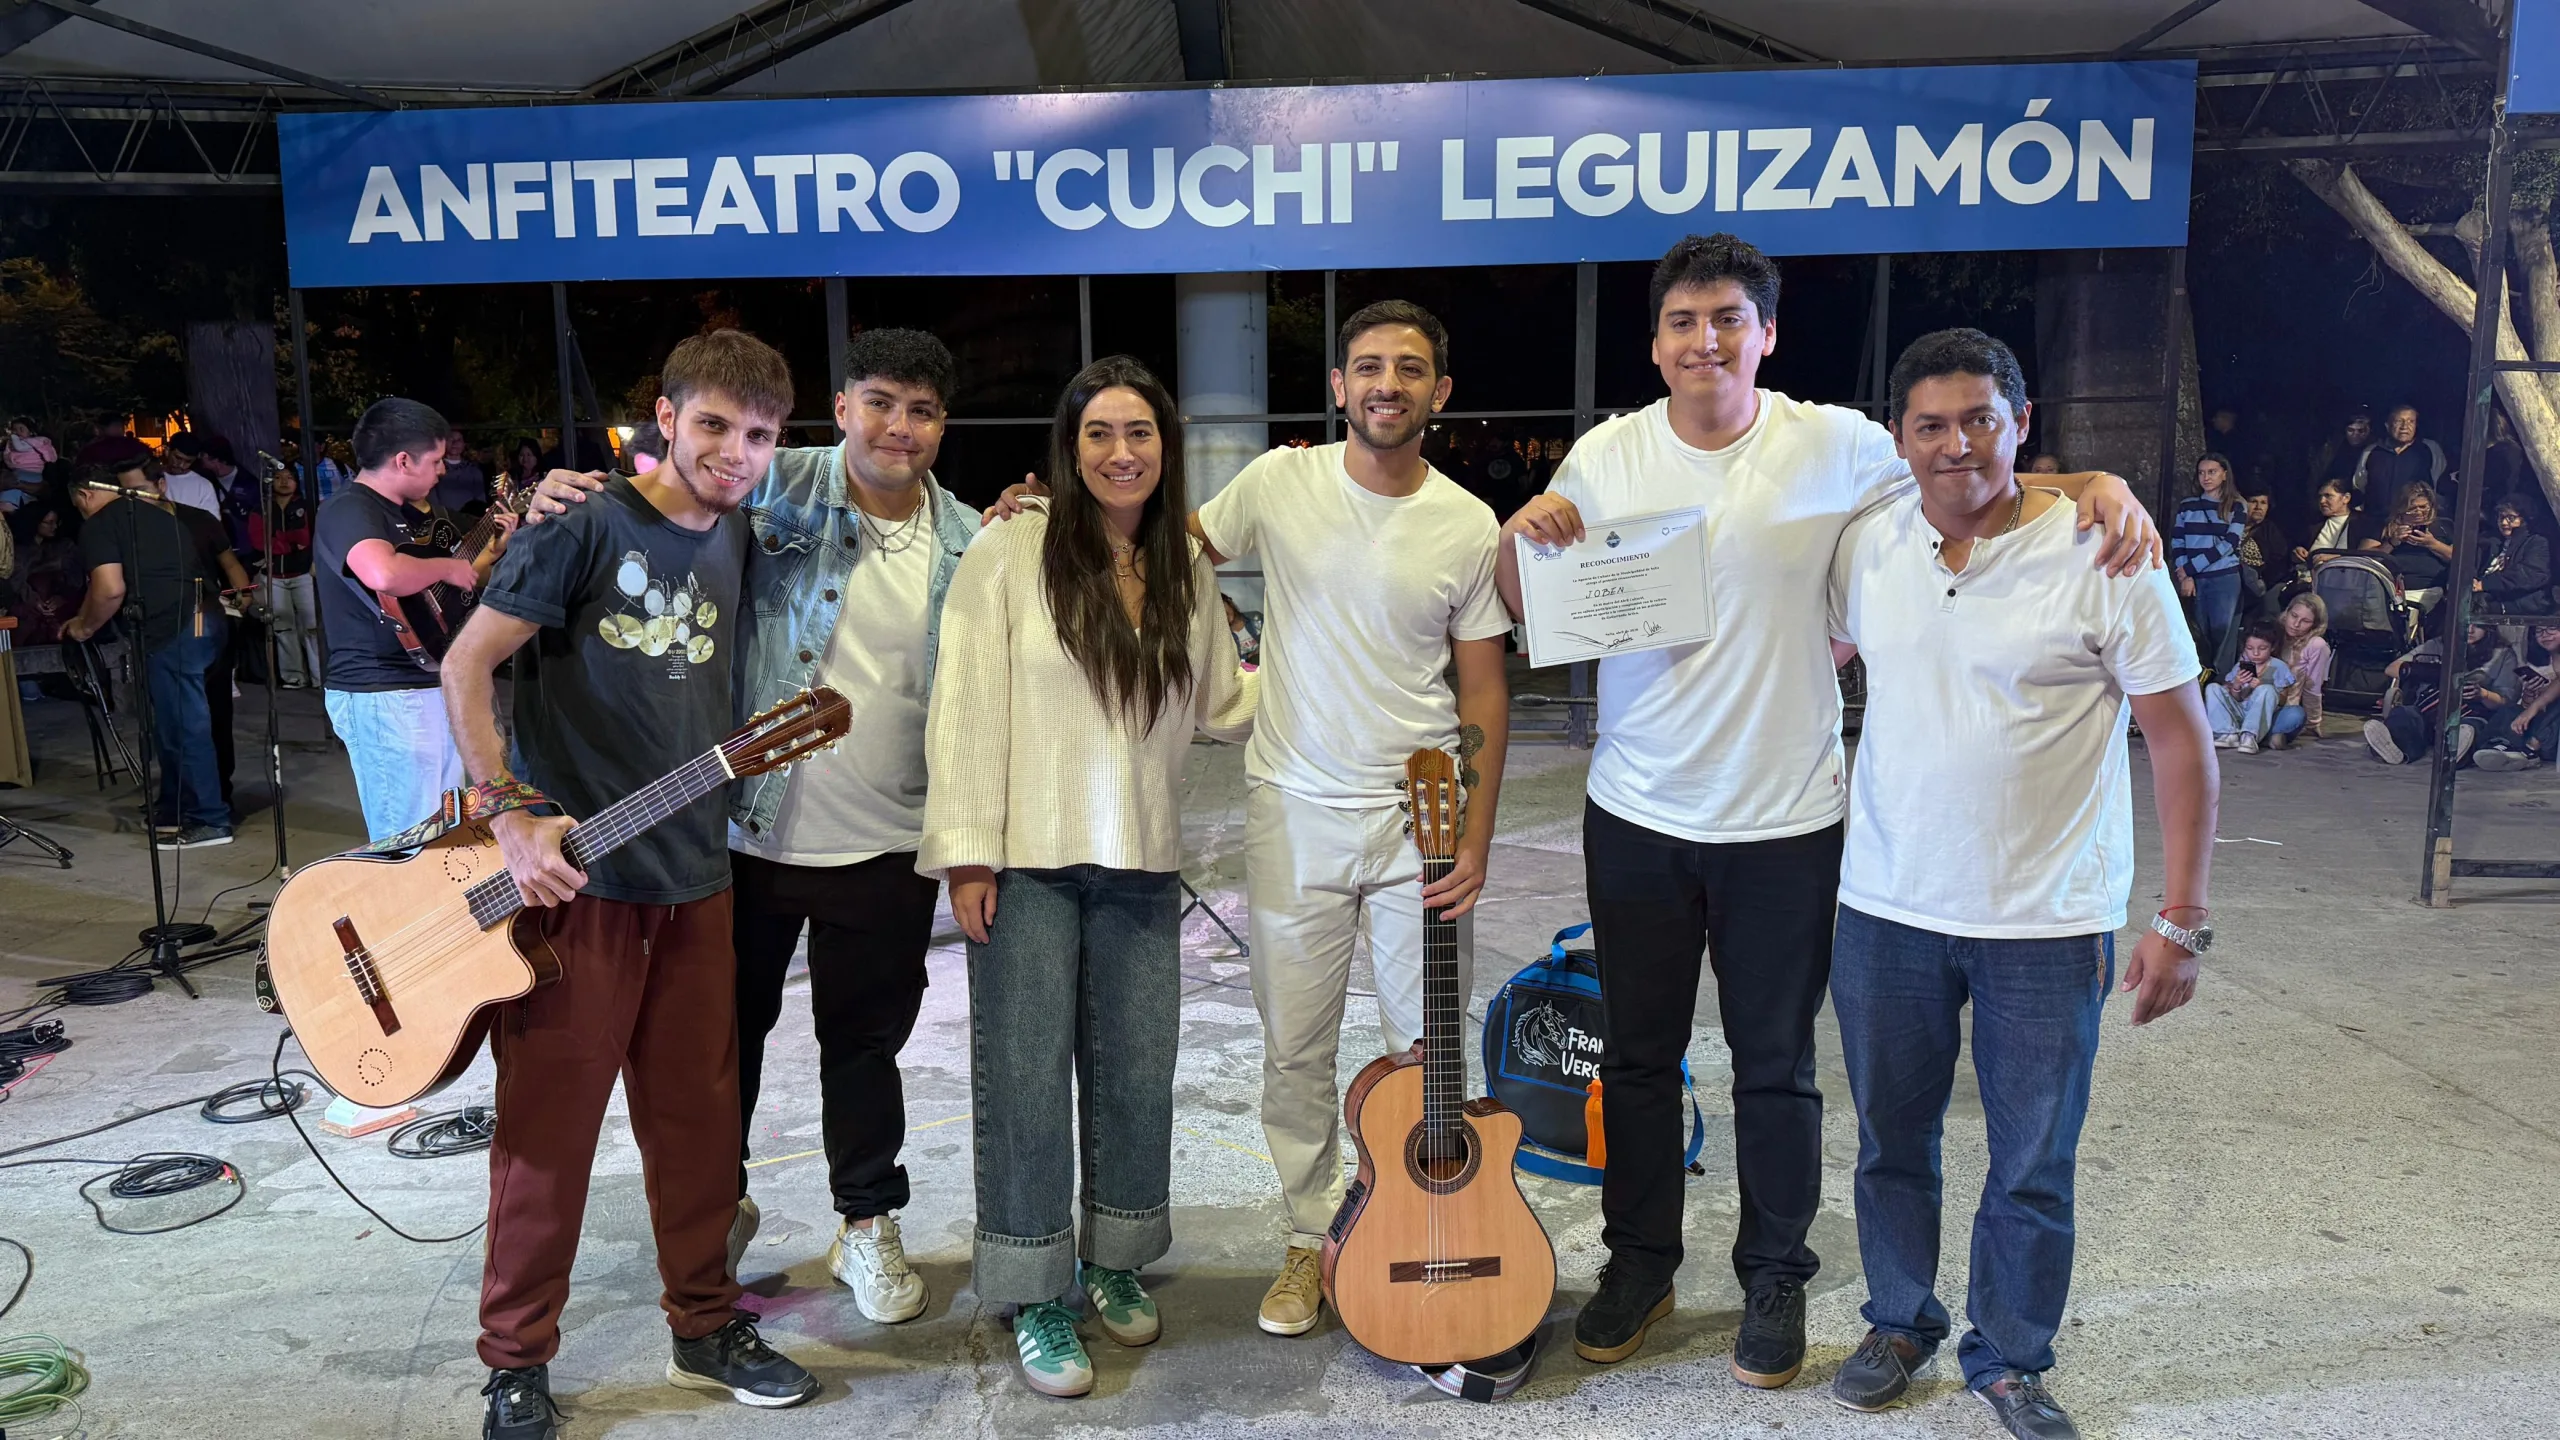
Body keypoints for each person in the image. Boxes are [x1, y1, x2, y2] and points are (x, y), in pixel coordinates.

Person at [1494, 234, 2159, 1386]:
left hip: (1785, 819)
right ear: (1655, 342)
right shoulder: (1607, 453)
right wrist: (1522, 542)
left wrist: (2088, 486)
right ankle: (1640, 1264)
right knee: (1638, 1058)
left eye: (1728, 319)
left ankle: (1773, 1275)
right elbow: (1532, 606)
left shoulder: (1836, 444)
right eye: (1683, 321)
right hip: (1637, 811)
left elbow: (1966, 477)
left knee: (1776, 1067)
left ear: (1765, 333)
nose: (1705, 341)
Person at [990, 301, 1517, 1345]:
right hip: (1293, 809)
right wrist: (1044, 513)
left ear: (1440, 392)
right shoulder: (1281, 482)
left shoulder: (1466, 522)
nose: (1388, 384)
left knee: (1427, 1048)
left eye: (1410, 368)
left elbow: (1484, 691)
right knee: (1296, 1048)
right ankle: (1310, 1236)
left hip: (1419, 817)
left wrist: (1477, 835)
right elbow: (1154, 539)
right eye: (1369, 366)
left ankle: (1424, 1220)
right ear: (1339, 386)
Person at [528, 329, 982, 1319]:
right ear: (843, 406)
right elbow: (663, 503)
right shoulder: (774, 482)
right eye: (878, 403)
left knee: (865, 1048)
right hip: (741, 836)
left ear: (942, 426)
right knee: (718, 1052)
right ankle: (714, 1212)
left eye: (921, 411)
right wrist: (567, 496)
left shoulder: (968, 538)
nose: (898, 428)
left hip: (889, 841)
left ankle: (866, 1223)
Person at [1823, 328, 2214, 1440]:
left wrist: (2182, 918)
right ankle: (1898, 1319)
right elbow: (1799, 652)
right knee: (1889, 1140)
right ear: (1898, 438)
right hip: (1886, 907)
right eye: (1931, 426)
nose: (1957, 446)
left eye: (1980, 420)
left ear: (2021, 423)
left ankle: (2009, 1357)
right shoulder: (1868, 548)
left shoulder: (2106, 554)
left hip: (2047, 919)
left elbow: (2181, 742)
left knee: (2033, 1159)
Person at [441, 330, 821, 1439]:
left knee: (699, 1129)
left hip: (697, 882)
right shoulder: (581, 524)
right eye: (713, 425)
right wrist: (508, 811)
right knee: (547, 1138)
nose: (735, 453)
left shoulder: (741, 533)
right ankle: (516, 1361)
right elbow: (467, 664)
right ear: (665, 417)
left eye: (758, 435)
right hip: (573, 896)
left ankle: (704, 1326)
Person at [923, 355, 1255, 1397]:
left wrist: (1340, 662)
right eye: (1099, 433)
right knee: (1025, 1081)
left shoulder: (1182, 565)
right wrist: (967, 852)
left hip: (1141, 860)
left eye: (1139, 432)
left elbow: (1222, 703)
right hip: (1025, 863)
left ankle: (1114, 1258)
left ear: (1165, 448)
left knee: (1135, 1073)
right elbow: (965, 703)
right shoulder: (1010, 550)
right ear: (1069, 450)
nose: (1121, 452)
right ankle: (1035, 1289)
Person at [313, 398, 512, 842]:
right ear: (403, 460)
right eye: (436, 460)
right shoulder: (349, 508)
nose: (442, 471)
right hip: (384, 692)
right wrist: (446, 567)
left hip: (426, 681)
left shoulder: (409, 514)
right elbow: (382, 572)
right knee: (407, 839)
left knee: (443, 830)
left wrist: (489, 554)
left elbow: (440, 591)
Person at [62, 451, 232, 848]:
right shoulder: (160, 515)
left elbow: (109, 588)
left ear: (85, 495)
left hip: (175, 629)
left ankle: (210, 819)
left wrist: (84, 627)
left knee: (185, 725)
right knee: (170, 724)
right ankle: (176, 806)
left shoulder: (101, 524)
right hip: (205, 619)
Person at [2364, 621, 2516, 766]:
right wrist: (2433, 673)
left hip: (2469, 714)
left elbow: (2506, 701)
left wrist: (2482, 694)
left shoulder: (2503, 654)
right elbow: (2391, 668)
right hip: (2428, 711)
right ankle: (2394, 746)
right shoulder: (2438, 644)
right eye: (2466, 624)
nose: (2470, 630)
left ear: (2489, 628)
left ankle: (2454, 754)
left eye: (2478, 626)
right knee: (2404, 715)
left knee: (2470, 729)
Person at [2171, 454, 2247, 670]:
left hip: (2223, 576)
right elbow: (2177, 540)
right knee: (2197, 632)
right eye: (2202, 473)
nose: (2206, 477)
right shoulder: (2187, 506)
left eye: (2212, 472)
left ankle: (2219, 679)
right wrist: (2185, 575)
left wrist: (2189, 569)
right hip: (2194, 577)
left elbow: (2229, 543)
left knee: (2222, 632)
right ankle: (2199, 677)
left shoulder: (2236, 505)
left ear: (2224, 474)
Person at [249, 467, 321, 687]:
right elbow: (260, 542)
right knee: (282, 627)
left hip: (303, 573)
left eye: (289, 477)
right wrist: (290, 542)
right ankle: (294, 676)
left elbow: (306, 538)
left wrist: (279, 539)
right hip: (273, 575)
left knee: (312, 626)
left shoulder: (307, 507)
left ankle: (320, 676)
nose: (283, 482)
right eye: (278, 477)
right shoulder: (261, 508)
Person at [2475, 623, 2560, 771]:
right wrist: (2530, 695)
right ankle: (2499, 746)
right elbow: (2526, 707)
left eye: (2551, 628)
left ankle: (2530, 750)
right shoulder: (2540, 663)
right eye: (2539, 631)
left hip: (2550, 736)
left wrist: (2534, 707)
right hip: (2543, 726)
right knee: (2510, 710)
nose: (2545, 634)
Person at [2204, 623, 2294, 755]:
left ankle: (2249, 736)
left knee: (2267, 690)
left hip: (2261, 715)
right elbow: (2237, 698)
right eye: (2250, 648)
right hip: (2239, 711)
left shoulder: (2279, 666)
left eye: (2262, 648)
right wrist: (2236, 685)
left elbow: (2282, 700)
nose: (2255, 653)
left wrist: (2262, 687)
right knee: (2212, 688)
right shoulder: (2241, 666)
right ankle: (2227, 733)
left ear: (2272, 647)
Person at [2361, 481, 2455, 606]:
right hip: (2387, 588)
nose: (2418, 512)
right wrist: (2391, 543)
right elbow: (2364, 558)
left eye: (2423, 507)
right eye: (2412, 509)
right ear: (2401, 509)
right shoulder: (2384, 527)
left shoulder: (2443, 526)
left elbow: (2459, 559)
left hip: (2427, 589)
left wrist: (2432, 543)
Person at [5, 499, 85, 647]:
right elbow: (16, 578)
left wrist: (62, 597)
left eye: (56, 522)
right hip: (27, 606)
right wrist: (34, 600)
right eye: (48, 523)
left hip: (60, 604)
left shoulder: (65, 546)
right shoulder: (18, 550)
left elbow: (76, 577)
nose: (54, 527)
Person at [2269, 593, 2331, 748]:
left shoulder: (2315, 645)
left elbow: (2312, 687)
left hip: (2284, 707)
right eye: (2294, 616)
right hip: (2255, 700)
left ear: (2315, 625)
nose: (2296, 624)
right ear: (2287, 612)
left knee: (2296, 715)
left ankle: (2258, 735)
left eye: (2305, 621)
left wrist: (2313, 722)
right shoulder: (2272, 631)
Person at [2476, 497, 2551, 616]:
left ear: (2525, 518)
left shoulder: (2537, 542)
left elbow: (2530, 574)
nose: (2504, 523)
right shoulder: (2494, 542)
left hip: (2521, 608)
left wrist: (2486, 584)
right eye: (2501, 517)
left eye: (2510, 518)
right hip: (2489, 600)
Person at [2353, 404, 2444, 502]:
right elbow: (2359, 484)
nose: (2404, 427)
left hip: (2414, 511)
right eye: (2398, 421)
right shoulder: (2372, 451)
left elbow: (2439, 483)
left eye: (2411, 421)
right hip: (2377, 511)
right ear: (2387, 425)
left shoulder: (2429, 449)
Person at [2238, 489, 2290, 613]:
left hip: (2258, 585)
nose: (2258, 507)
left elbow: (2280, 562)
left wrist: (2263, 581)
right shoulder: (2231, 526)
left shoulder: (2270, 531)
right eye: (2253, 501)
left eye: (2263, 503)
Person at [2294, 478, 2361, 569]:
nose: (2322, 501)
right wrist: (2297, 552)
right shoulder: (2313, 522)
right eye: (2320, 497)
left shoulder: (2361, 522)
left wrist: (2336, 558)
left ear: (2346, 498)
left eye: (2328, 496)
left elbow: (2364, 554)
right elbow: (2298, 547)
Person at [157, 432, 226, 520]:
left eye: (188, 461)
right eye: (178, 458)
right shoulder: (151, 477)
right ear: (167, 451)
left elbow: (212, 522)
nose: (181, 465)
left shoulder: (204, 486)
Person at [434, 426, 491, 513]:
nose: (455, 443)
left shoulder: (473, 470)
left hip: (468, 517)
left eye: (459, 440)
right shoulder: (434, 468)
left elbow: (480, 499)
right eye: (451, 439)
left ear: (464, 444)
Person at [5, 417, 55, 510]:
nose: (17, 432)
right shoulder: (11, 444)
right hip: (18, 471)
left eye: (21, 429)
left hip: (32, 472)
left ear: (31, 431)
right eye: (15, 430)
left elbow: (19, 447)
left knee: (13, 483)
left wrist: (14, 437)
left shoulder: (34, 442)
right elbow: (7, 456)